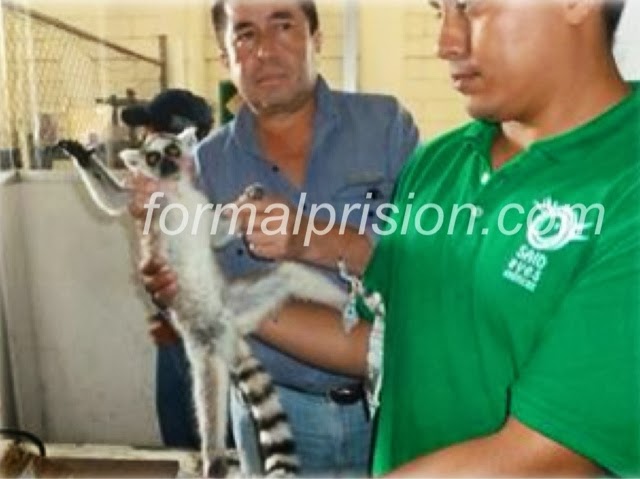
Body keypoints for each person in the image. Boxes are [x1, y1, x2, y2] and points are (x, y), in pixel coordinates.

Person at [247, 0, 638, 476]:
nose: (445, 43)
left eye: (469, 7)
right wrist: (217, 302)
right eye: (439, 12)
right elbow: (382, 343)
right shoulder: (438, 167)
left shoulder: (625, 180)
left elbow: (554, 455)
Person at [130, 0, 419, 476]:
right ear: (225, 57)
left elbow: (428, 265)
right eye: (244, 34)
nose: (265, 50)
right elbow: (187, 295)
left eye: (283, 25)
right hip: (275, 412)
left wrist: (313, 238)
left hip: (389, 401)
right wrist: (159, 273)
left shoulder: (386, 127)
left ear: (316, 37)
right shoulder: (201, 167)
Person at [121, 88, 214, 449]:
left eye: (150, 130)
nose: (144, 138)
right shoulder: (160, 185)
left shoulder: (203, 186)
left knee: (205, 433)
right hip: (171, 321)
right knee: (180, 434)